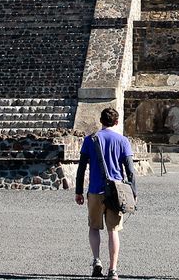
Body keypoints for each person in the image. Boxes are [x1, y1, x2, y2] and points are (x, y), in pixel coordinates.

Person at [75, 108, 137, 280]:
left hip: (95, 190)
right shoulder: (123, 141)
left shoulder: (90, 140)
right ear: (116, 122)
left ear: (100, 121)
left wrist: (78, 191)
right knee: (113, 231)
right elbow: (130, 171)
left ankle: (96, 260)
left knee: (94, 227)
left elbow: (81, 168)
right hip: (116, 192)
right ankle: (113, 270)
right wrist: (133, 191)